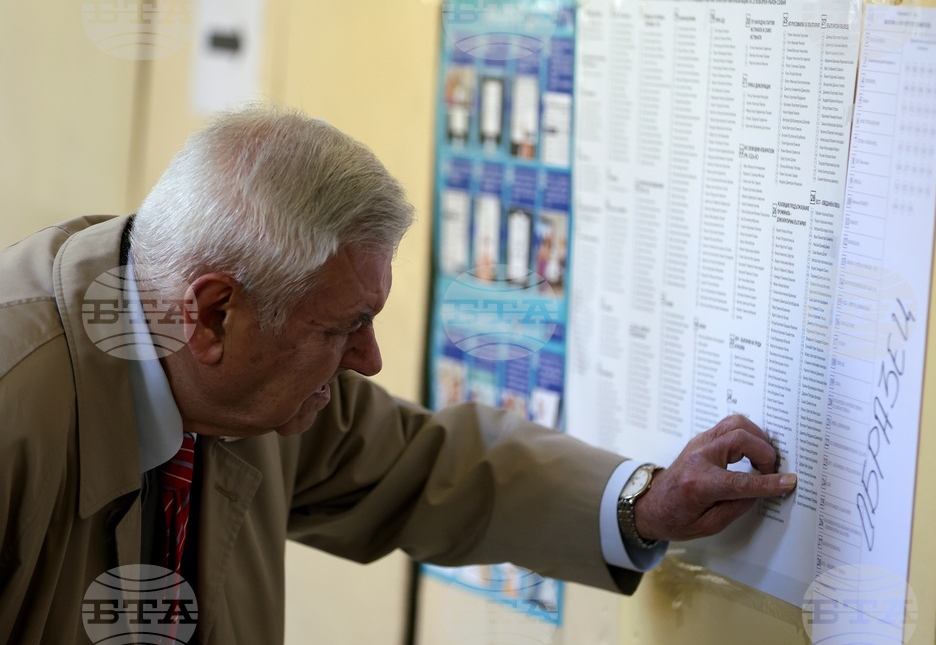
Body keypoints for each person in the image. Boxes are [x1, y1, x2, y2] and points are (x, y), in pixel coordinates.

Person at [0, 106, 796, 643]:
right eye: (341, 328)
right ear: (213, 315)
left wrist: (645, 503)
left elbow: (423, 469)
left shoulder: (236, 381)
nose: (369, 360)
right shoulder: (16, 404)